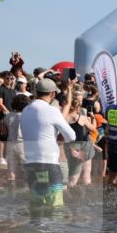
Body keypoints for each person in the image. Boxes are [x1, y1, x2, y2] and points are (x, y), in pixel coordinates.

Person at [19, 78, 76, 206]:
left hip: (31, 164)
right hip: (49, 164)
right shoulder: (52, 111)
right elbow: (71, 136)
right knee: (55, 205)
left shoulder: (26, 111)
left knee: (37, 203)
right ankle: (52, 226)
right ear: (52, 94)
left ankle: (36, 225)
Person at [64, 84, 96, 186]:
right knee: (85, 175)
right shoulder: (81, 117)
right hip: (82, 146)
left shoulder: (63, 117)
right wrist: (93, 118)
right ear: (78, 107)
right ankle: (83, 197)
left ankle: (69, 194)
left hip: (68, 146)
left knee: (71, 173)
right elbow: (92, 128)